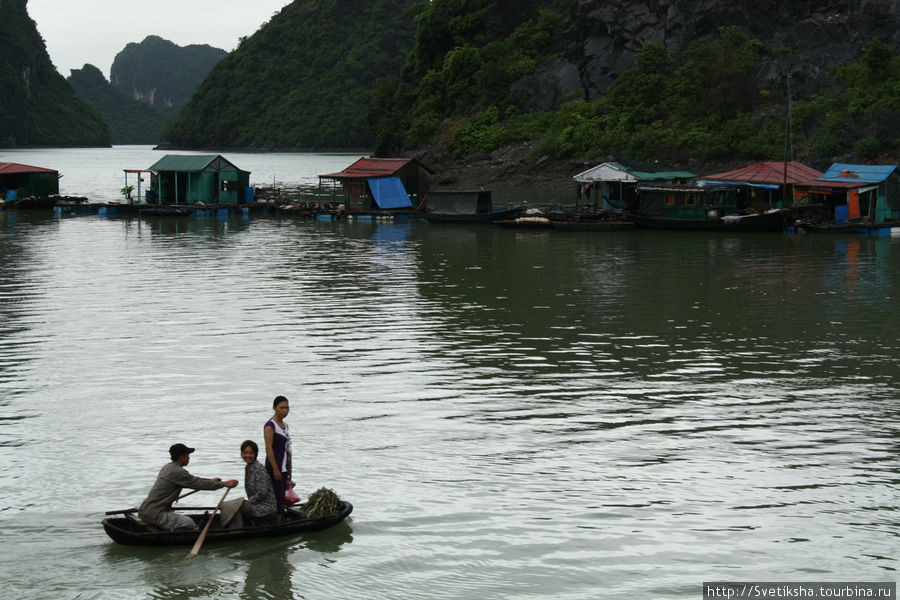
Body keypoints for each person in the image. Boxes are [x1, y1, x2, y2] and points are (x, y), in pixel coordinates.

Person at [138, 443, 238, 531]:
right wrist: (224, 484)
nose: (189, 458)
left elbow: (193, 480)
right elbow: (196, 482)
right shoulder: (178, 471)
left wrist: (210, 481)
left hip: (145, 510)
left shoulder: (168, 467)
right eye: (188, 455)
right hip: (155, 513)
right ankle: (178, 537)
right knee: (188, 523)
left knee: (185, 521)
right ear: (181, 457)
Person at [235, 439, 278, 525]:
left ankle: (237, 531)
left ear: (255, 454)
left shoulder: (259, 469)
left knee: (237, 506)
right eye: (245, 453)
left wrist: (249, 501)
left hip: (266, 508)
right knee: (234, 505)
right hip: (256, 505)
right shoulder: (248, 468)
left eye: (250, 453)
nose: (247, 455)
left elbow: (262, 492)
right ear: (241, 454)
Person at [264, 395, 293, 513]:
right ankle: (275, 519)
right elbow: (269, 448)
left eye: (286, 408)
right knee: (277, 497)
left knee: (281, 496)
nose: (284, 411)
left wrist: (290, 468)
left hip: (284, 467)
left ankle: (279, 516)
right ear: (274, 408)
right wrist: (276, 469)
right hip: (274, 467)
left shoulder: (285, 426)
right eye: (281, 408)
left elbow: (288, 449)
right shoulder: (270, 426)